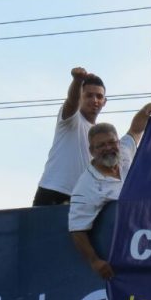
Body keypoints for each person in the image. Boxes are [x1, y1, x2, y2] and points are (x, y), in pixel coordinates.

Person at [68, 102, 151, 280]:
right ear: (92, 151)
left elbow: (135, 131)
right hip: (126, 251)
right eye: (101, 146)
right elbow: (77, 229)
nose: (108, 148)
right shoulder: (85, 186)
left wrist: (145, 111)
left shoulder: (124, 152)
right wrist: (94, 261)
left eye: (112, 142)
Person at [33, 68, 107, 206]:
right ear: (80, 97)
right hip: (53, 193)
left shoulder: (100, 135)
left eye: (99, 96)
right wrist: (77, 81)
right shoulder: (71, 119)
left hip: (81, 200)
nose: (94, 100)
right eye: (89, 95)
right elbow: (72, 101)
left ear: (104, 101)